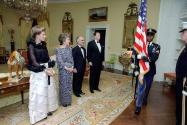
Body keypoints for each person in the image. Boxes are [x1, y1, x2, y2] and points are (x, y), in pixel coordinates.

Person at [27, 25, 58, 124]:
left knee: (48, 92)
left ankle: (46, 110)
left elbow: (47, 58)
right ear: (37, 35)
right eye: (43, 34)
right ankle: (39, 115)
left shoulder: (44, 45)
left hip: (46, 71)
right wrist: (45, 70)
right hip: (38, 73)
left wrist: (51, 67)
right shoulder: (31, 46)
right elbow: (34, 62)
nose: (45, 36)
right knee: (39, 95)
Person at [135, 28, 160, 115]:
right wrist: (136, 65)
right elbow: (136, 55)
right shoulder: (142, 45)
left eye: (151, 35)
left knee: (148, 87)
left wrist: (145, 58)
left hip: (150, 71)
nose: (149, 36)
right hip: (142, 70)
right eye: (148, 35)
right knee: (141, 88)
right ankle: (138, 106)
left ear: (153, 36)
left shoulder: (156, 46)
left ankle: (144, 99)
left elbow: (155, 57)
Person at [56, 33, 75, 107]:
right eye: (68, 39)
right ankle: (64, 102)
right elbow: (60, 61)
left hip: (70, 69)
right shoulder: (58, 50)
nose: (69, 41)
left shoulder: (70, 49)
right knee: (64, 86)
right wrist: (67, 68)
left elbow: (72, 59)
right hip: (63, 71)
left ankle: (68, 101)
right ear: (64, 40)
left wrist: (72, 67)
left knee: (69, 85)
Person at [175, 22, 187, 125]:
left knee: (183, 107)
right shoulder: (184, 47)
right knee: (179, 105)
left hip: (185, 83)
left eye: (183, 32)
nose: (181, 34)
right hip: (180, 81)